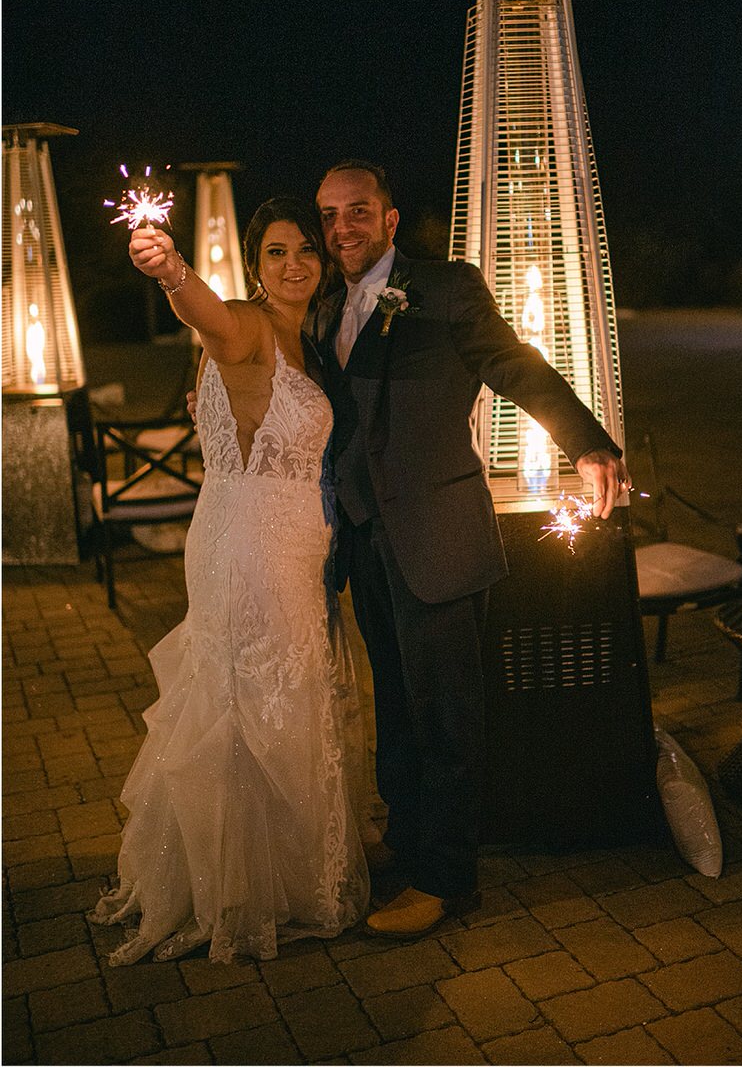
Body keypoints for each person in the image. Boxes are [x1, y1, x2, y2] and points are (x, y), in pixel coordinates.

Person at [310, 160, 630, 939]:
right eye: (328, 215)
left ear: (389, 220)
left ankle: (448, 880)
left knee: (445, 716)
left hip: (439, 535)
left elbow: (513, 364)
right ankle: (411, 843)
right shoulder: (321, 306)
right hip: (365, 539)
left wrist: (587, 443)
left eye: (358, 211)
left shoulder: (446, 286)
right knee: (396, 705)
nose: (341, 227)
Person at [89, 197, 374, 965]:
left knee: (278, 692)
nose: (294, 265)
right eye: (277, 252)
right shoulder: (246, 325)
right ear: (255, 265)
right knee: (250, 700)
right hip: (249, 542)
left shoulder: (309, 342)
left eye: (306, 252)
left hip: (289, 540)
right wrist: (171, 269)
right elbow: (205, 316)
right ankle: (242, 890)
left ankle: (272, 875)